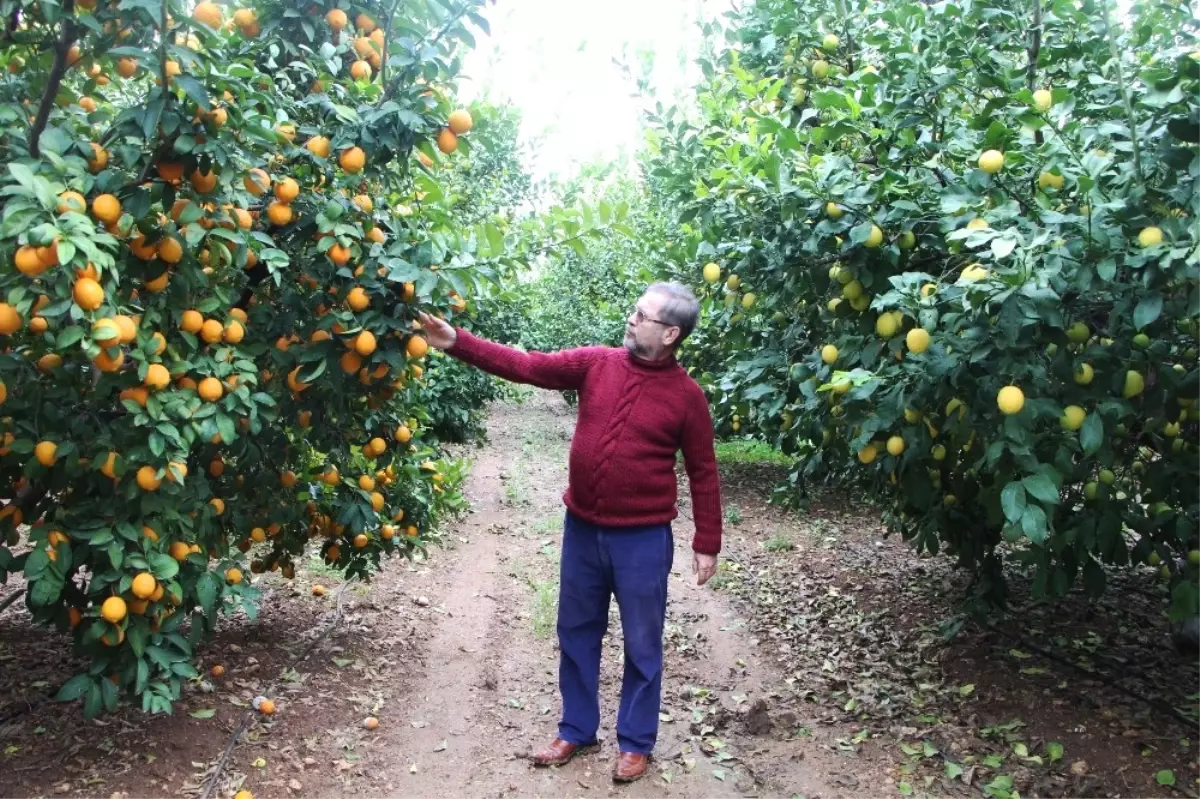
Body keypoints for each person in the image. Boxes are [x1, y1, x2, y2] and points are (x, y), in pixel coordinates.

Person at [417, 281, 723, 783]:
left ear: (670, 333)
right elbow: (528, 365)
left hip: (642, 539)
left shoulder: (687, 398)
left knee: (642, 643)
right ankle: (577, 728)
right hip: (582, 528)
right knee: (576, 631)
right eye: (633, 310)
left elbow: (704, 471)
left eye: (641, 316)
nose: (630, 319)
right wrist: (457, 342)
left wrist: (706, 542)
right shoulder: (596, 363)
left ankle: (635, 742)